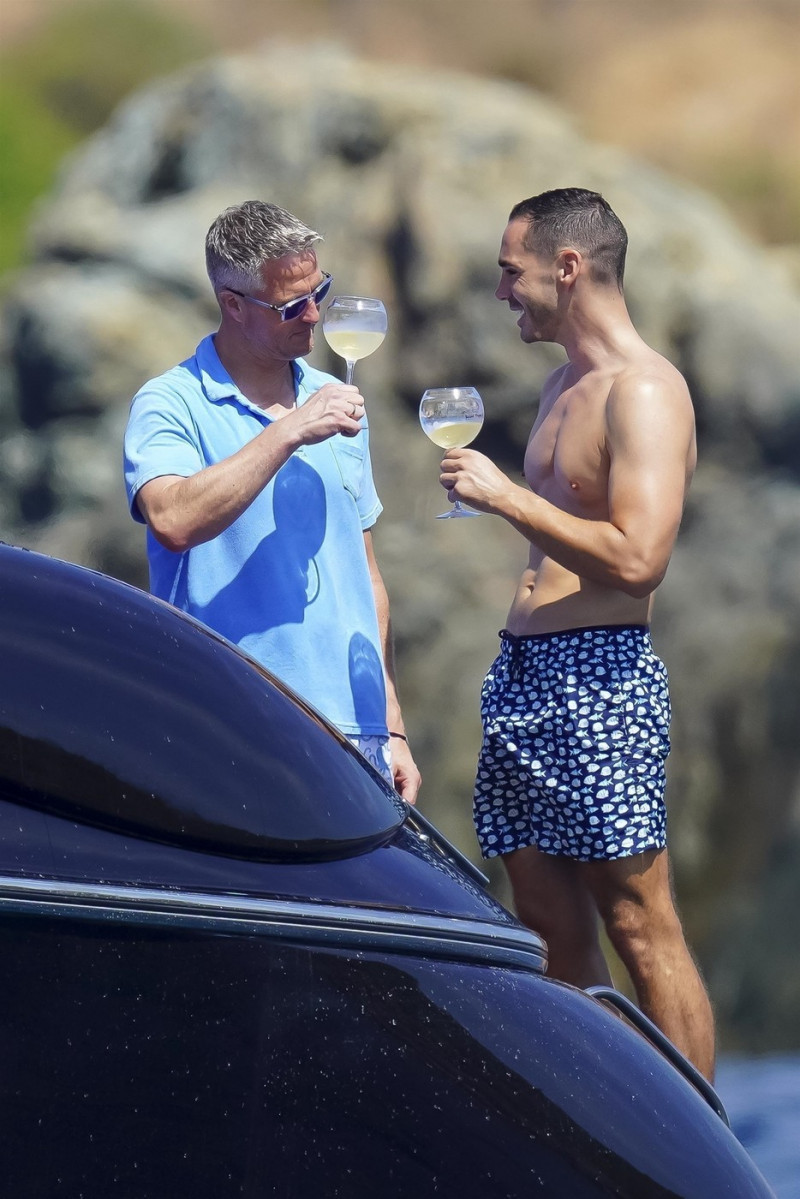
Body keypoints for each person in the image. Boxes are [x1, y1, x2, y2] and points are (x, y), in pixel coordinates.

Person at [439, 187, 714, 1079]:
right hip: (522, 672)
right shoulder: (563, 385)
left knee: (639, 923)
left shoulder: (646, 391)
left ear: (568, 267)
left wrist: (504, 496)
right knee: (547, 929)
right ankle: (600, 1122)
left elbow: (638, 560)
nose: (502, 294)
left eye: (509, 273)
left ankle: (700, 1150)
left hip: (599, 675)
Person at [123, 199, 420, 803]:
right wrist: (287, 431)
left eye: (321, 290)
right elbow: (173, 518)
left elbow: (363, 571)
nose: (314, 315)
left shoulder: (335, 396)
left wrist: (390, 721)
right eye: (291, 305)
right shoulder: (170, 401)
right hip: (231, 721)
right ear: (232, 304)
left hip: (353, 734)